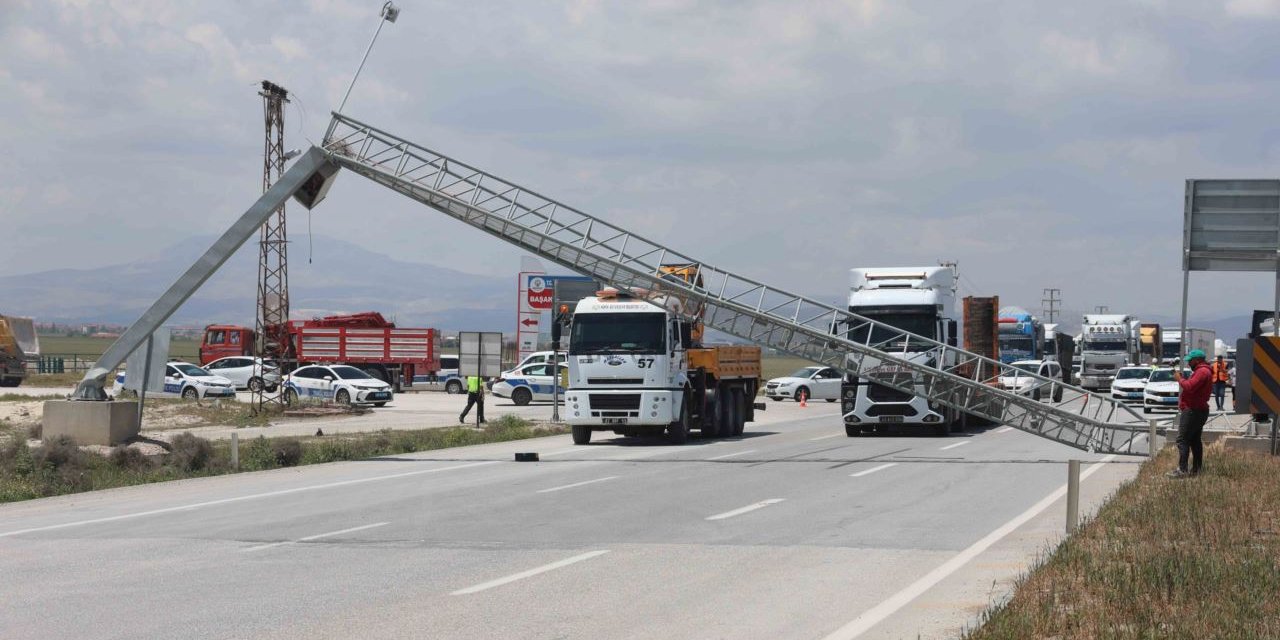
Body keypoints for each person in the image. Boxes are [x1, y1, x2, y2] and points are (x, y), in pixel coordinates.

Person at [1170, 349, 1212, 478]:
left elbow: (1189, 387)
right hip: (1197, 409)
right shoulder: (1203, 371)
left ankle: (1182, 470)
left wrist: (1179, 379)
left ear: (1197, 360)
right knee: (1194, 440)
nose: (1189, 363)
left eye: (1190, 361)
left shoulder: (1202, 371)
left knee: (1182, 439)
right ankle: (1196, 469)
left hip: (1193, 410)